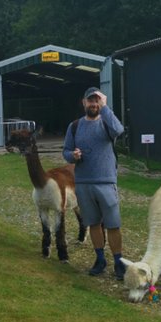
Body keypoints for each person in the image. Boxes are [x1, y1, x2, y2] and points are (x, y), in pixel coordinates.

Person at [63, 88, 125, 278]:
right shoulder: (74, 126)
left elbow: (119, 130)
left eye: (97, 101)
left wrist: (106, 108)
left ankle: (119, 262)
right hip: (83, 183)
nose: (94, 104)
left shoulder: (107, 123)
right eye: (91, 101)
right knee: (93, 224)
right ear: (84, 103)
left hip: (106, 182)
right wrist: (72, 156)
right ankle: (100, 259)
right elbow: (66, 151)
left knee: (113, 225)